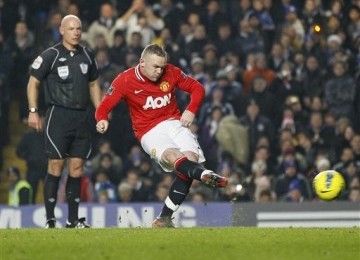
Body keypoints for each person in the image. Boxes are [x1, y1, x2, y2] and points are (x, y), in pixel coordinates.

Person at [95, 43, 228, 228]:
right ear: (142, 63)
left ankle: (164, 218)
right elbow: (104, 105)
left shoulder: (171, 72)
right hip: (148, 131)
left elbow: (198, 88)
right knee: (174, 157)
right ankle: (205, 174)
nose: (159, 71)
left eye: (162, 67)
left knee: (190, 160)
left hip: (174, 122)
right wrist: (102, 119)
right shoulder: (124, 80)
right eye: (155, 66)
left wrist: (191, 110)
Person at [27, 15, 101, 228]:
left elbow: (94, 84)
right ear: (61, 30)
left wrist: (100, 111)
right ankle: (50, 219)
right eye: (71, 28)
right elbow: (33, 83)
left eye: (78, 28)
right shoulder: (50, 55)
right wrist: (33, 111)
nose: (76, 32)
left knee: (77, 168)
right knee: (56, 166)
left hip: (82, 118)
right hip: (58, 117)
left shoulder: (88, 55)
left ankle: (73, 220)